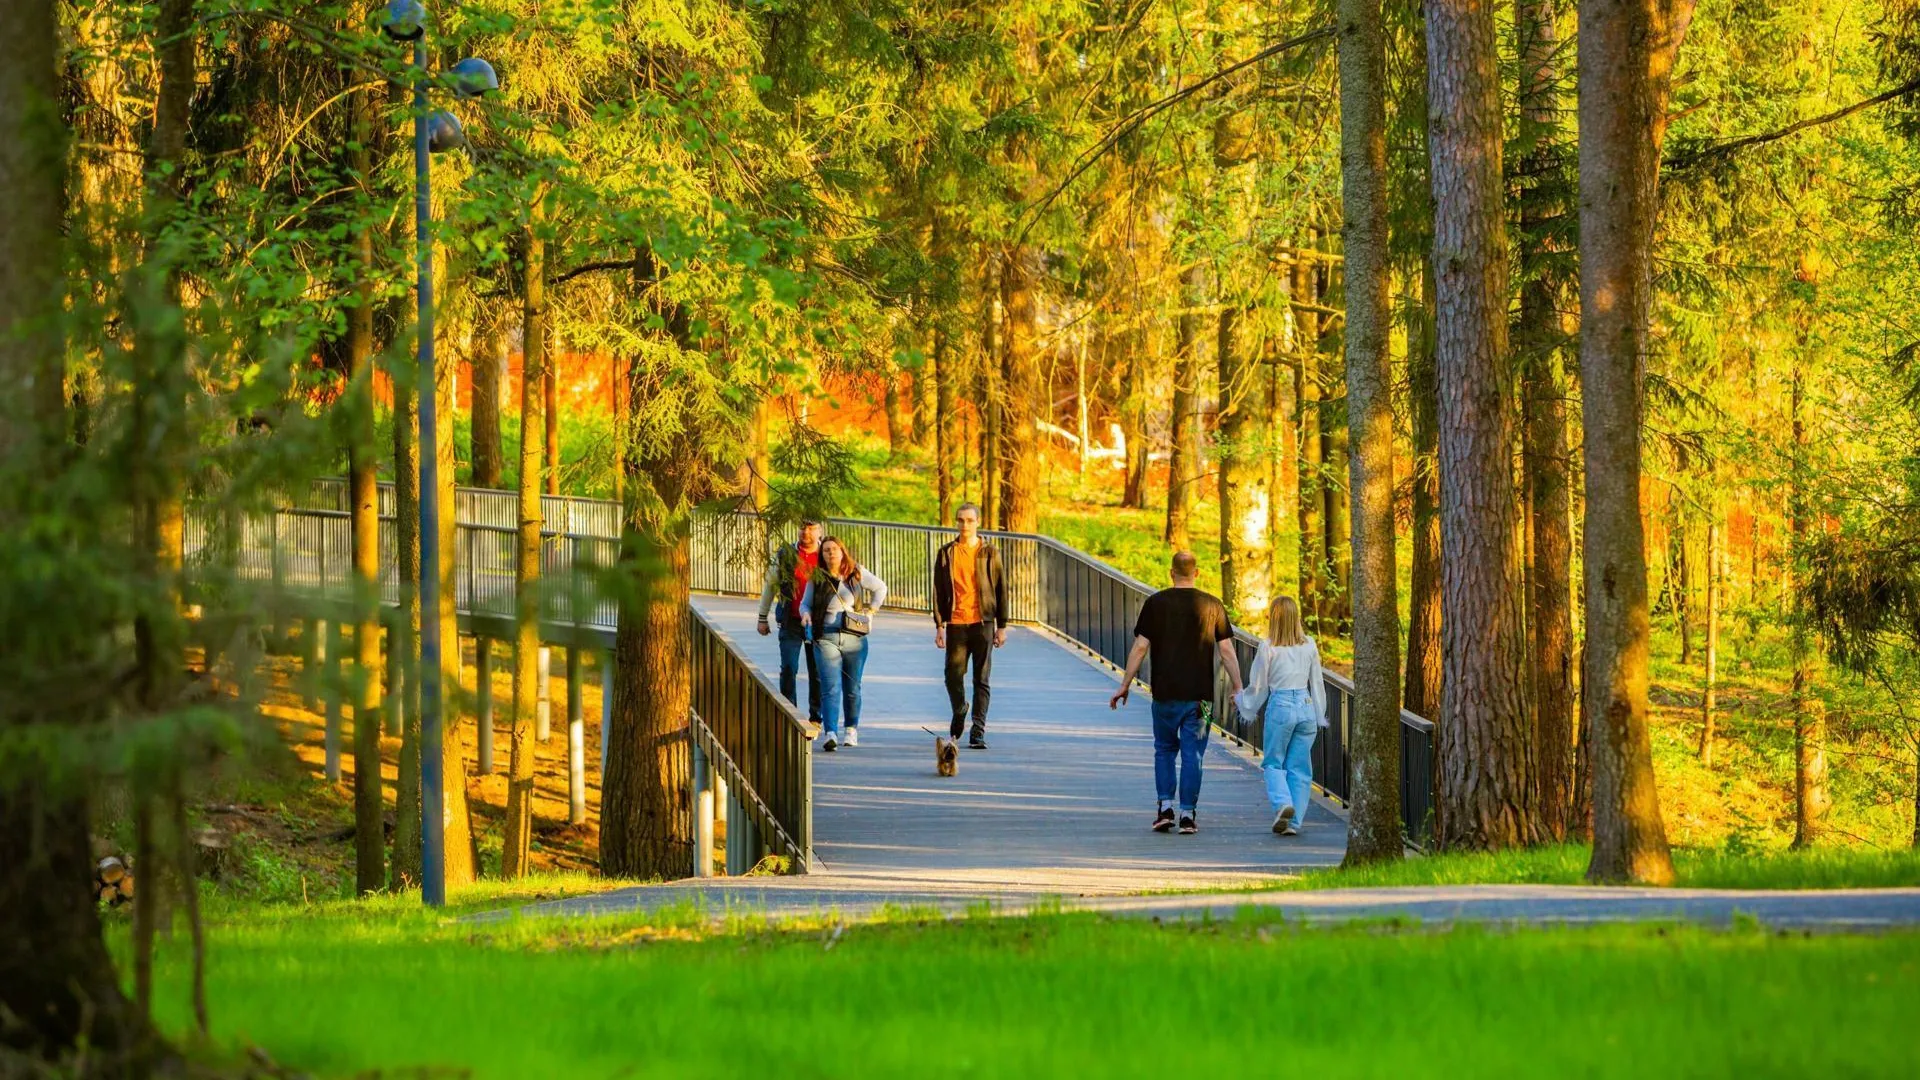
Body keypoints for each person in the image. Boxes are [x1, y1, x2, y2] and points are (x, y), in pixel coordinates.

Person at [1109, 551, 1242, 835]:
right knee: (1194, 755)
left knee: (1165, 750)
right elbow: (1227, 650)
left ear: (1171, 573)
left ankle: (1165, 808)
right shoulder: (1213, 605)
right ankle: (1188, 814)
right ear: (1196, 573)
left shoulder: (1156, 603)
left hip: (1165, 695)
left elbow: (1140, 647)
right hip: (1200, 699)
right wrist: (1238, 686)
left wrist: (1124, 685)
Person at [1234, 596, 1327, 836]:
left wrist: (1244, 703)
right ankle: (1294, 822)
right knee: (1300, 768)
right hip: (1305, 705)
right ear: (1296, 617)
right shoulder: (1310, 645)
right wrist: (1320, 713)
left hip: (1281, 706)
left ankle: (1283, 803)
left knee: (1273, 763)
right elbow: (1317, 682)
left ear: (1273, 618)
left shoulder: (1268, 647)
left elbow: (1259, 686)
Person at [800, 537, 889, 752]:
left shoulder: (855, 572)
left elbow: (880, 588)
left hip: (854, 637)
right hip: (826, 637)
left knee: (853, 687)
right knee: (830, 687)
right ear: (822, 555)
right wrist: (805, 615)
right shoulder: (817, 577)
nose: (831, 553)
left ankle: (851, 729)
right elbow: (805, 603)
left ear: (842, 551)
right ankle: (830, 732)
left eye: (834, 549)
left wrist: (871, 610)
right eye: (826, 550)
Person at [931, 502, 1006, 749]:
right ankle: (960, 708)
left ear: (978, 522)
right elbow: (939, 591)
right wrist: (939, 624)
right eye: (961, 520)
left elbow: (1000, 589)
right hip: (956, 623)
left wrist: (1002, 625)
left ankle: (978, 730)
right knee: (952, 675)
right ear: (956, 522)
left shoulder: (989, 553)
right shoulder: (946, 553)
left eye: (969, 520)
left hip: (982, 622)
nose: (965, 525)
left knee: (981, 678)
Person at [756, 519, 823, 724]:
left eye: (811, 528)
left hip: (819, 622)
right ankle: (790, 715)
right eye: (803, 527)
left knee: (817, 670)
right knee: (788, 667)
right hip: (790, 620)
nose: (806, 532)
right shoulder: (786, 554)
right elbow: (770, 584)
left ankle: (816, 717)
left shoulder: (826, 554)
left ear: (819, 531)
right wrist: (762, 617)